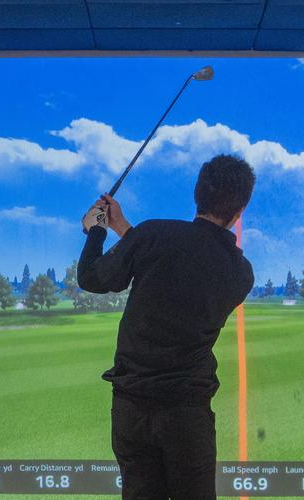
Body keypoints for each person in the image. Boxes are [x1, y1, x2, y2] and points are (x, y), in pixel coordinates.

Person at [77, 154, 257, 499]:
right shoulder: (240, 272)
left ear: (197, 193)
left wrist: (97, 228)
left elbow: (92, 277)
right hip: (186, 415)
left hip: (132, 410)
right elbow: (182, 264)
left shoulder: (152, 234)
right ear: (240, 210)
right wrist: (123, 228)